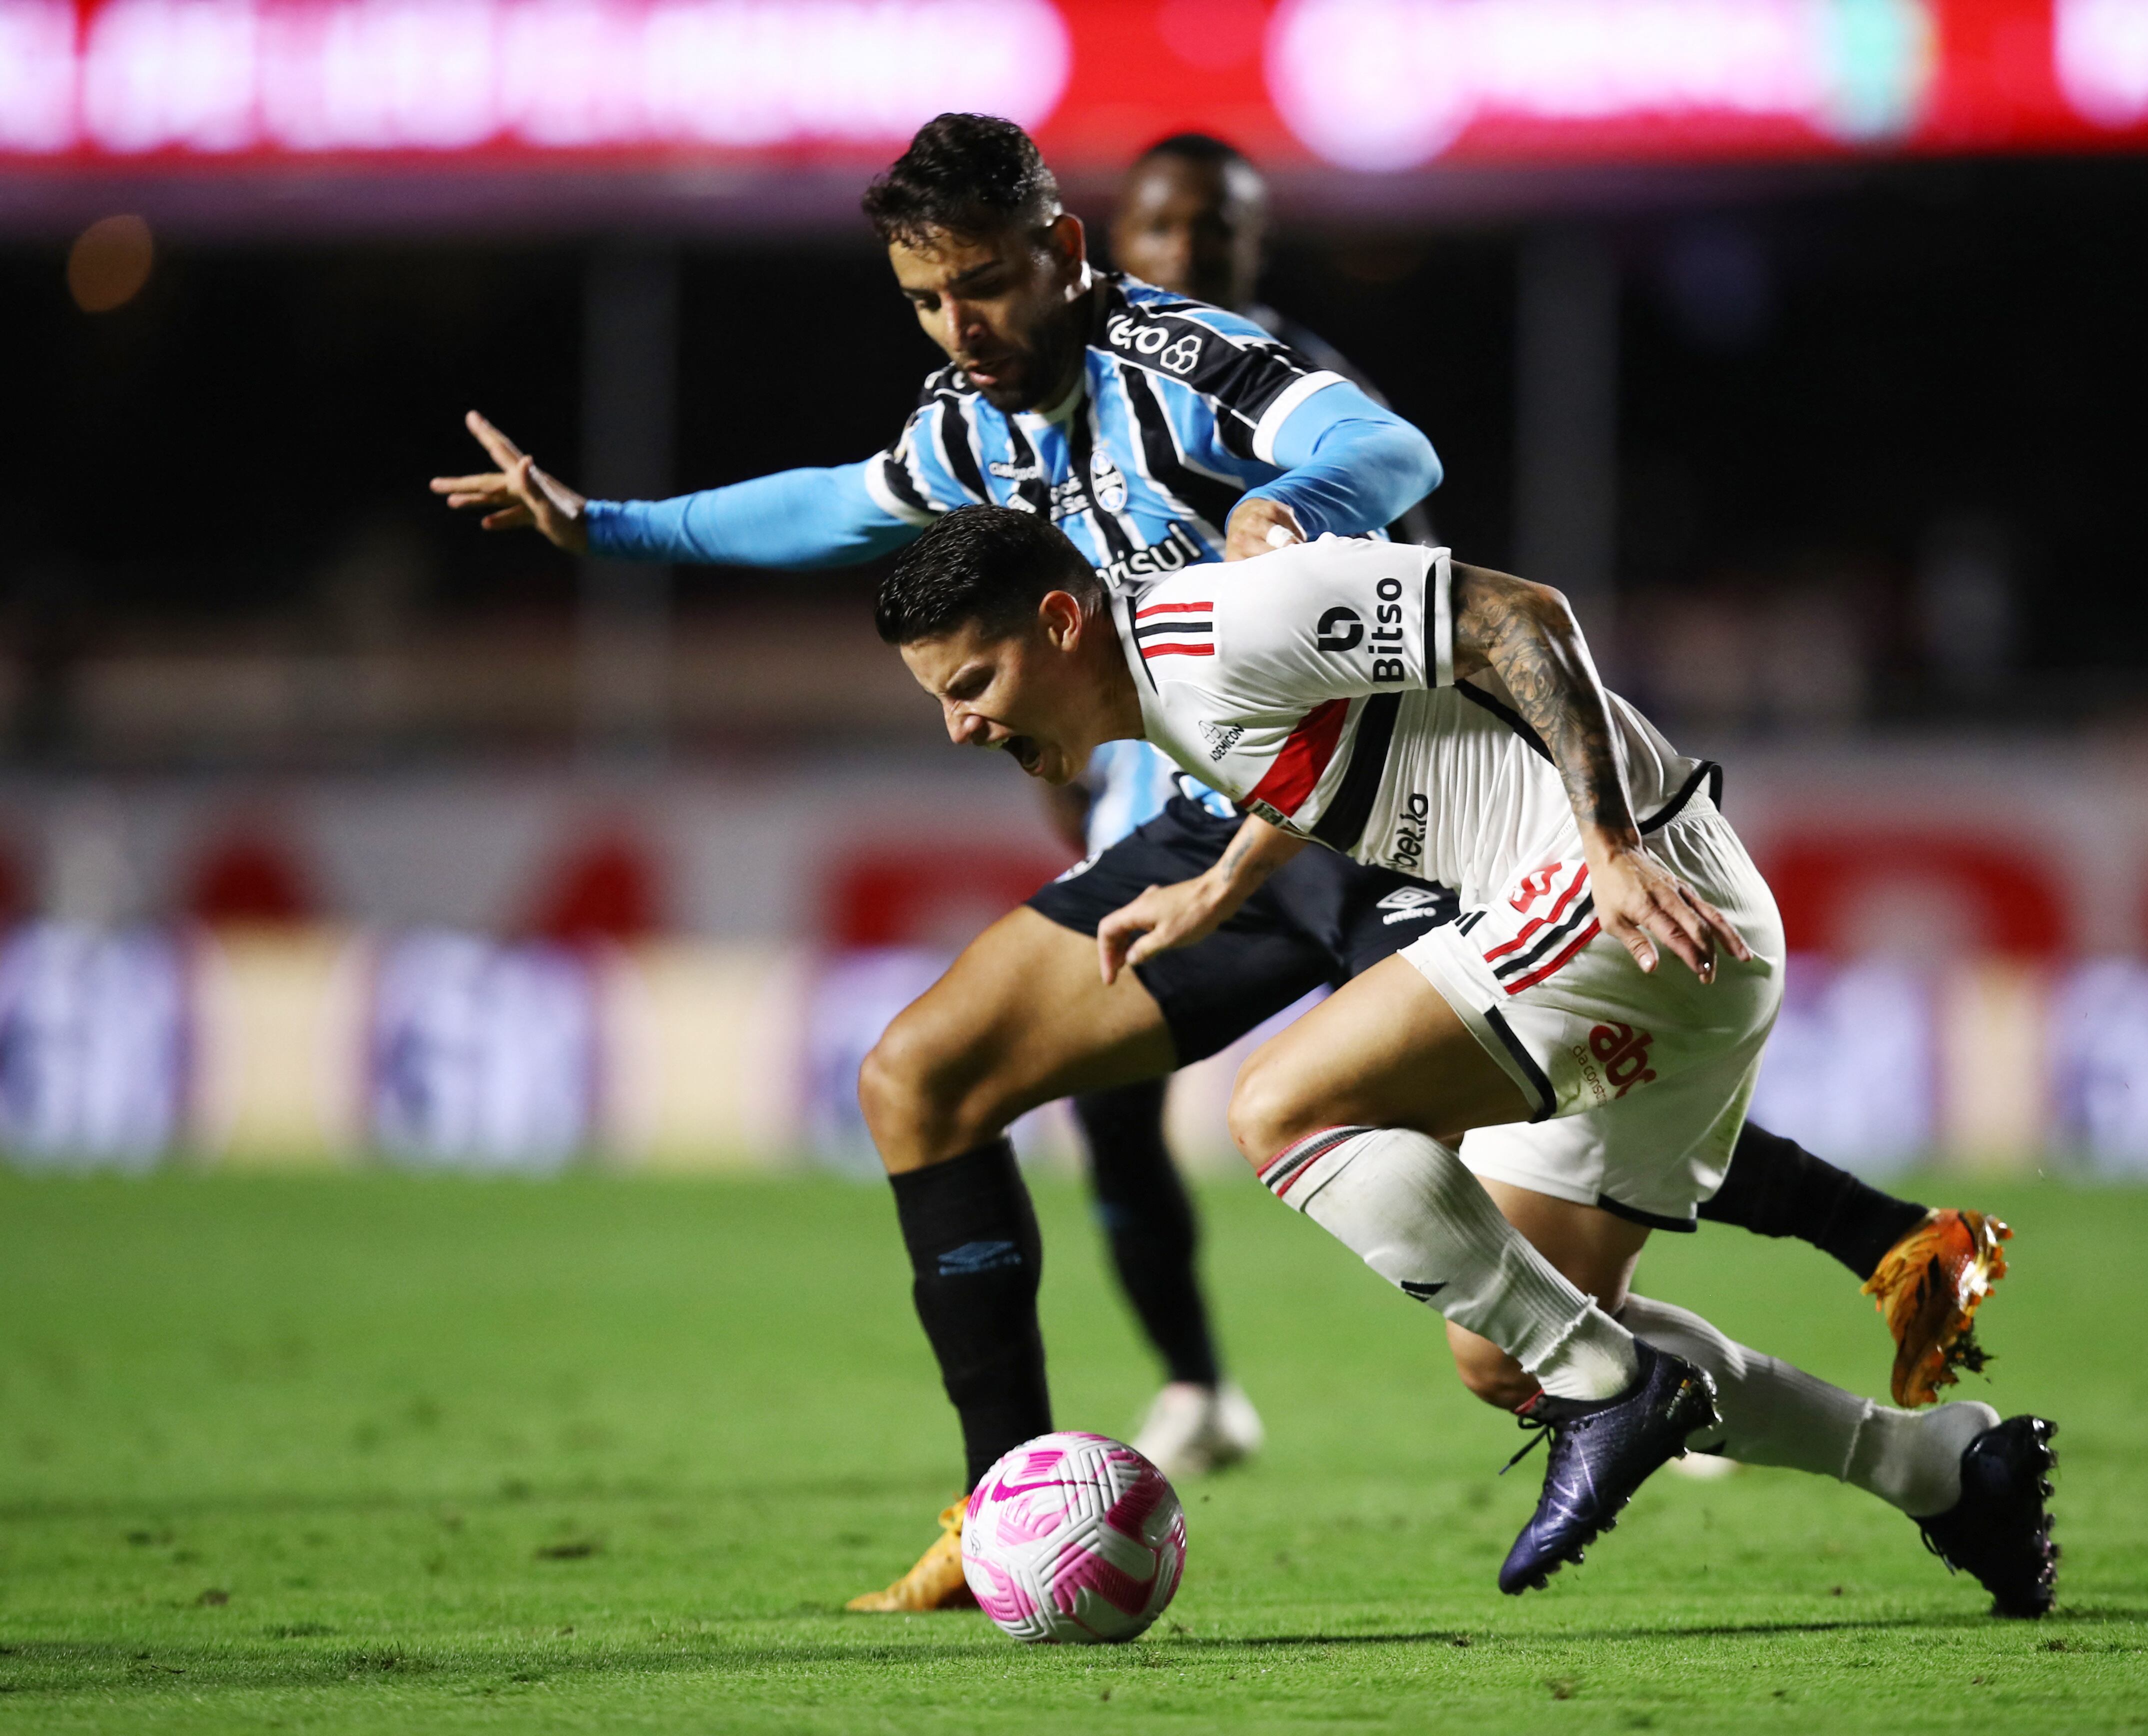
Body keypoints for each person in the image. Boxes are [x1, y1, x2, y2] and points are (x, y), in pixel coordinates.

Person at [430, 112, 2012, 1613]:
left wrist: (1290, 508)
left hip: (1422, 810)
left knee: (1453, 1214)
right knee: (924, 1078)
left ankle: (1834, 1268)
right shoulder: (967, 426)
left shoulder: (1189, 357)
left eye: (984, 282)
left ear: (1062, 245)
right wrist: (611, 527)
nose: (961, 324)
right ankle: (1007, 1511)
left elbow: (1386, 451)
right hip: (1250, 810)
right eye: (926, 300)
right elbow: (831, 512)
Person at [876, 503, 2060, 1612]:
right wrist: (1217, 887)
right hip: (1682, 946)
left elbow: (1520, 615)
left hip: (1618, 899)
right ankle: (1942, 1470)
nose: (961, 725)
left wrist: (1605, 841)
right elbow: (1329, 759)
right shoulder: (1181, 691)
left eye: (974, 684)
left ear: (1061, 622)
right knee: (1501, 1350)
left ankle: (1616, 1384)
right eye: (940, 700)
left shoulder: (1213, 623)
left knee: (1281, 1106)